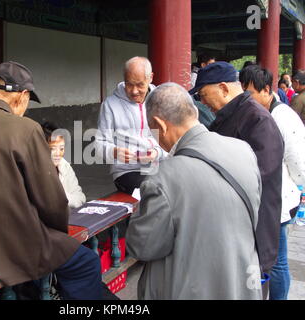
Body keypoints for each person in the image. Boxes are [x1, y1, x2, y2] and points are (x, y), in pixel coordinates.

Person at [0, 61, 102, 300]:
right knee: (85, 263)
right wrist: (56, 233)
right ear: (23, 96)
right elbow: (51, 201)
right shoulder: (25, 129)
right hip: (11, 247)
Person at [126, 83, 263, 300]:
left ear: (161, 126)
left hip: (187, 290)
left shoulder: (163, 178)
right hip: (241, 285)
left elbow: (142, 247)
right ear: (195, 112)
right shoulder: (243, 150)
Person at [189, 61, 284, 299]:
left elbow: (260, 176)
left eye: (203, 94)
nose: (202, 101)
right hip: (231, 229)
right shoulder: (229, 115)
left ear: (223, 88)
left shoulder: (257, 119)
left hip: (253, 232)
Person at [240, 65, 305, 300]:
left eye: (250, 94)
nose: (247, 100)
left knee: (277, 262)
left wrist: (295, 186)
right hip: (260, 199)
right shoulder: (254, 113)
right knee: (263, 259)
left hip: (278, 200)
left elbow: (299, 164)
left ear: (267, 90)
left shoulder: (283, 116)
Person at [95, 56, 166, 195]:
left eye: (140, 85)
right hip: (127, 171)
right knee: (151, 190)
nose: (134, 91)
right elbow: (99, 144)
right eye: (129, 84)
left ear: (150, 78)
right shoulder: (110, 104)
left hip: (160, 165)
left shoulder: (161, 101)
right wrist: (114, 152)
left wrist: (157, 153)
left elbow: (174, 141)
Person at [41, 121, 86, 208]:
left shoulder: (64, 166)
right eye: (52, 149)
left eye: (61, 148)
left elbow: (80, 197)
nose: (58, 153)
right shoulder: (33, 171)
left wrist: (62, 196)